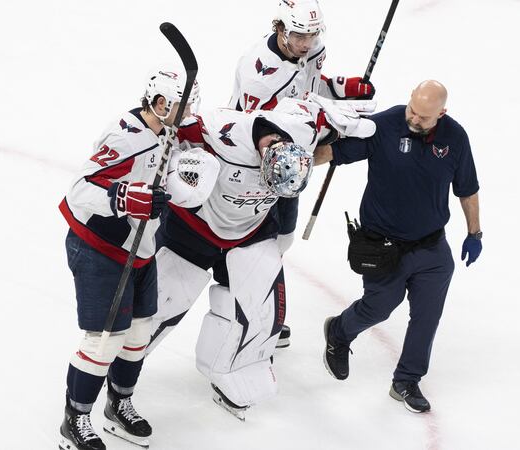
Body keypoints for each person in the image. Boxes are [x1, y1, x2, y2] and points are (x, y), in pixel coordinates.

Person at [147, 97, 376, 420]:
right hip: (194, 228)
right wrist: (174, 169)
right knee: (157, 308)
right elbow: (163, 133)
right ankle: (117, 364)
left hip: (252, 230)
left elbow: (327, 119)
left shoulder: (304, 133)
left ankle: (232, 372)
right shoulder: (218, 127)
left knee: (262, 315)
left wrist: (338, 117)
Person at [57, 69, 219, 449]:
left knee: (139, 334)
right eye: (183, 104)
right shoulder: (125, 138)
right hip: (101, 249)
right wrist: (124, 197)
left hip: (141, 248)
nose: (190, 111)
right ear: (162, 104)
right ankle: (75, 419)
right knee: (104, 342)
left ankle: (119, 405)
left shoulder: (168, 131)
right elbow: (80, 189)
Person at [314, 80, 482, 413]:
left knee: (427, 316)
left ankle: (406, 379)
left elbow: (467, 189)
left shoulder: (455, 137)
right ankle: (339, 330)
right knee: (379, 306)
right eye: (412, 111)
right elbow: (332, 153)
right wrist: (303, 150)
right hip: (383, 246)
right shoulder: (385, 126)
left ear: (442, 114)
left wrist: (474, 233)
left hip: (432, 247)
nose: (414, 120)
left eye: (423, 117)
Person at [229, 0, 376, 348]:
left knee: (282, 240)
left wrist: (341, 87)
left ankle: (265, 311)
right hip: (255, 166)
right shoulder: (257, 71)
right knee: (252, 246)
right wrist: (325, 124)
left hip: (291, 166)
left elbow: (309, 84)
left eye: (312, 34)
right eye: (298, 35)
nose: (306, 43)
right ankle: (255, 318)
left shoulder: (312, 48)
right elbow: (261, 132)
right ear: (279, 27)